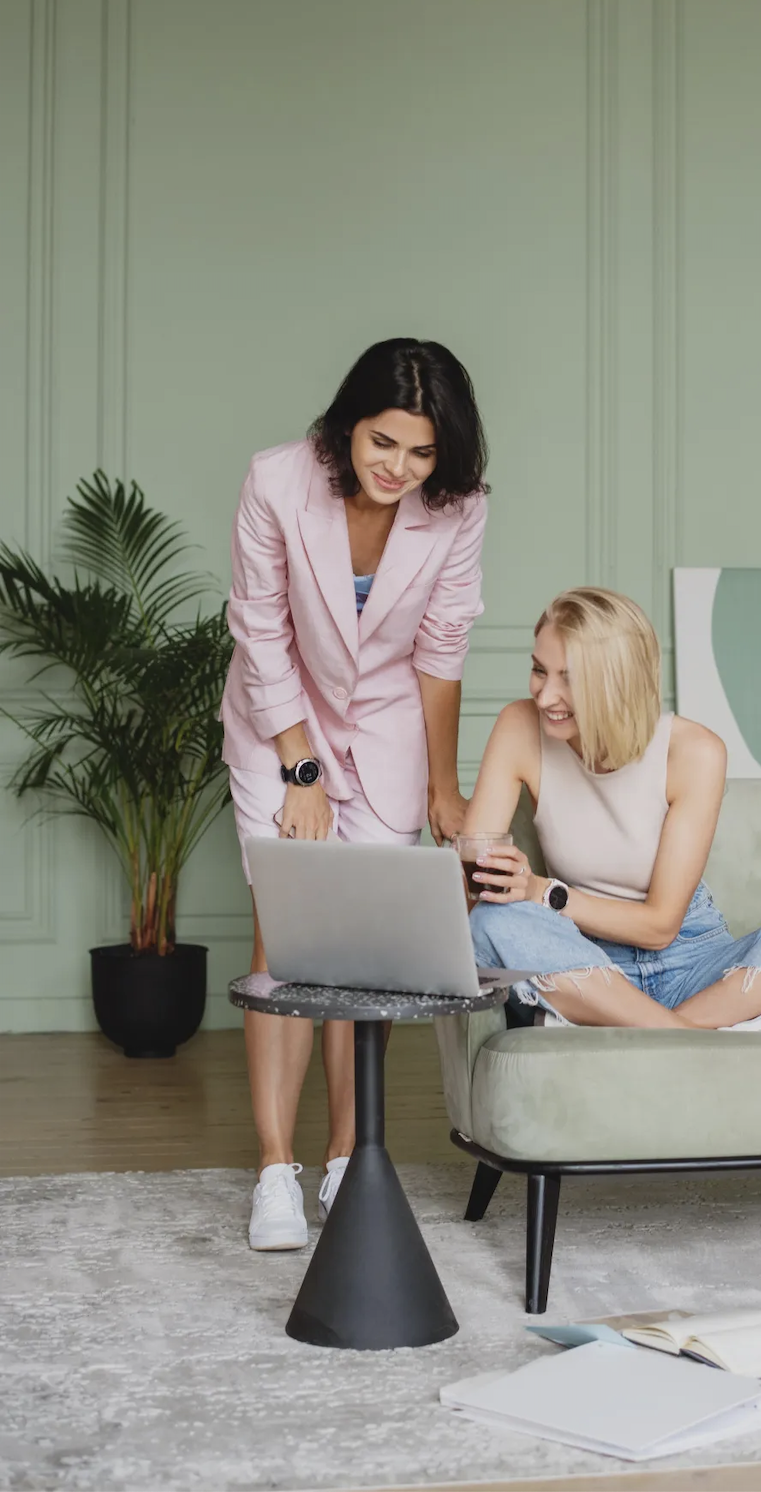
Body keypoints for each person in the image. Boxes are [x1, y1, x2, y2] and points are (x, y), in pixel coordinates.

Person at [221, 338, 488, 1249]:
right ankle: (272, 1171)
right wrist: (298, 769)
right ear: (347, 425)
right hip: (277, 719)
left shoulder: (458, 507)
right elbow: (259, 630)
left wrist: (445, 788)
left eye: (422, 454)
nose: (400, 470)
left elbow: (442, 649)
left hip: (384, 730)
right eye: (384, 444)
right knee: (288, 941)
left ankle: (346, 1158)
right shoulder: (276, 481)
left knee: (362, 953)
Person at [462, 588, 761, 1030]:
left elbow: (660, 927)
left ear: (618, 682)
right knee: (492, 920)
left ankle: (616, 1028)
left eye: (570, 679)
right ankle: (700, 1036)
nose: (546, 696)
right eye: (538, 670)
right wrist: (504, 884)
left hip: (694, 961)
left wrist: (543, 891)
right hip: (587, 962)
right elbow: (476, 878)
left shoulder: (695, 751)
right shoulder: (519, 726)